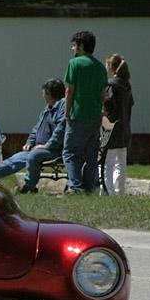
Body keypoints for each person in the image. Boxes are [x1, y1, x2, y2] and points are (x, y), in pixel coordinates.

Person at [0, 79, 67, 193]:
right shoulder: (47, 109)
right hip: (38, 148)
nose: (42, 95)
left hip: (53, 149)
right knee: (14, 160)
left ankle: (28, 187)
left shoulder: (62, 107)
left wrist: (47, 146)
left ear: (49, 93)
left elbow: (60, 131)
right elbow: (36, 129)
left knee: (34, 156)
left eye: (44, 92)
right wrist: (29, 142)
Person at [62, 30, 108, 193]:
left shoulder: (74, 64)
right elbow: (103, 94)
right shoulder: (100, 67)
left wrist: (66, 113)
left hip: (78, 115)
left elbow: (69, 91)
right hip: (95, 115)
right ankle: (89, 187)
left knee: (70, 153)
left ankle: (75, 186)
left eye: (74, 45)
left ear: (81, 46)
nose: (72, 49)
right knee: (91, 154)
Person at [101, 54, 134, 195]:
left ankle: (108, 190)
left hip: (111, 127)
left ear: (111, 67)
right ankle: (120, 191)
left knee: (107, 161)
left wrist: (102, 99)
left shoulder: (111, 84)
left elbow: (108, 105)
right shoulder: (127, 85)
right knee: (120, 160)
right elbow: (131, 103)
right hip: (125, 126)